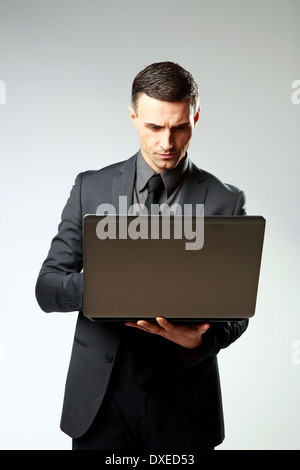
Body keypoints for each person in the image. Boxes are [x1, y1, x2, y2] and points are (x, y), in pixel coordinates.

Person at [35, 61, 248, 451]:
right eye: (154, 127)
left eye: (180, 126)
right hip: (101, 399)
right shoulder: (90, 188)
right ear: (133, 117)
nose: (167, 142)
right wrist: (104, 282)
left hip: (183, 400)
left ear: (195, 117)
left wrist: (199, 342)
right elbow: (47, 288)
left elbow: (237, 312)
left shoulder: (226, 200)